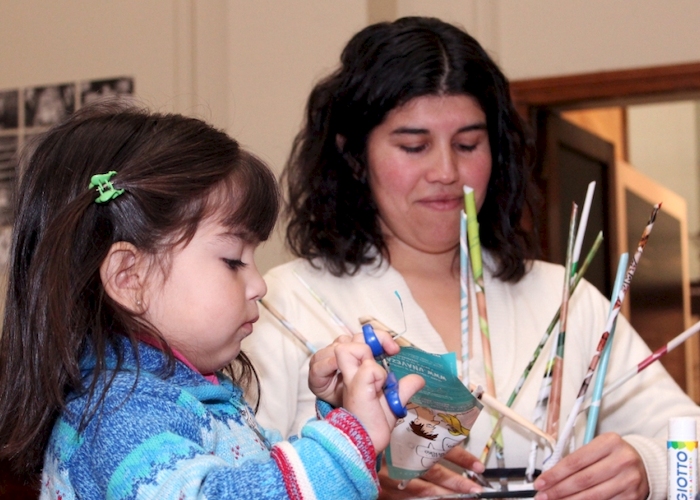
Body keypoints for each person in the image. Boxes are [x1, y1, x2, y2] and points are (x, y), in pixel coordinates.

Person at [243, 16, 700, 500]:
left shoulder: (563, 301)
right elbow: (234, 478)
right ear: (354, 156)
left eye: (468, 144)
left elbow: (689, 442)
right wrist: (348, 476)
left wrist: (651, 467)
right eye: (414, 145)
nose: (446, 171)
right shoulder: (284, 303)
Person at [0, 102, 423, 499]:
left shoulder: (193, 397)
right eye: (233, 261)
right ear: (130, 277)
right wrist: (348, 441)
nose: (259, 284)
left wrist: (344, 415)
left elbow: (263, 476)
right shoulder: (119, 416)